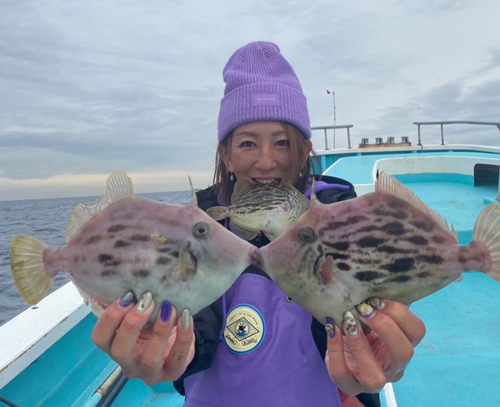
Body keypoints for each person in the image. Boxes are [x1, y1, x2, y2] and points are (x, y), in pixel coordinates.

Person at [91, 41, 426, 407]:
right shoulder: (195, 225)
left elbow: (364, 313)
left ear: (304, 149)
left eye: (282, 143)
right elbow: (189, 330)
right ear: (226, 154)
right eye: (248, 144)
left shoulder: (340, 216)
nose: (266, 162)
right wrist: (169, 354)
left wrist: (371, 363)